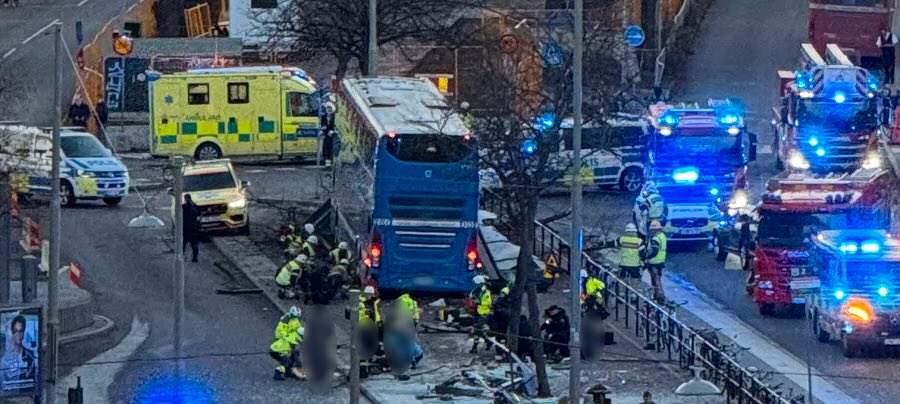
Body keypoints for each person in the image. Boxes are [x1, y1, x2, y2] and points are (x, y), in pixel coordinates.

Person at [269, 306, 304, 380]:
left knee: (293, 356)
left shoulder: (296, 320)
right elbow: (283, 332)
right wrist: (292, 340)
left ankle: (288, 372)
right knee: (286, 360)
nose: (296, 317)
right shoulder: (284, 321)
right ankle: (278, 374)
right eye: (294, 316)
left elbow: (298, 329)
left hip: (287, 341)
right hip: (281, 341)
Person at [1, 315, 35, 383]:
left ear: (24, 332)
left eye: (21, 331)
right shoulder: (5, 358)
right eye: (16, 331)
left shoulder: (30, 355)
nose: (18, 335)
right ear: (12, 333)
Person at [642, 221, 668, 303]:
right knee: (657, 279)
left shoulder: (655, 239)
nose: (651, 232)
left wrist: (646, 257)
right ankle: (657, 295)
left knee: (655, 280)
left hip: (654, 262)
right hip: (661, 261)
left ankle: (660, 297)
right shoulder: (663, 236)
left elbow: (654, 251)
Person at [615, 223, 644, 292]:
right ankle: (633, 294)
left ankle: (621, 293)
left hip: (623, 264)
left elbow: (613, 244)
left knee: (622, 279)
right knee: (635, 279)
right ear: (635, 231)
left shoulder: (621, 239)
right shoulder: (639, 241)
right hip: (635, 265)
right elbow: (643, 254)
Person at [468, 275, 491, 354]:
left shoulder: (485, 292)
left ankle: (475, 347)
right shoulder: (477, 290)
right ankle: (487, 342)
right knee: (478, 330)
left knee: (477, 330)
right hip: (477, 312)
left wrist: (479, 302)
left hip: (482, 313)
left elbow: (488, 303)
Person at [182, 194, 201, 262]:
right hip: (193, 228)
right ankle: (195, 258)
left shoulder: (183, 207)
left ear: (185, 199)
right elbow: (199, 215)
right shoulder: (195, 207)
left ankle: (182, 257)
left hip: (184, 228)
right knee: (194, 244)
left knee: (183, 244)